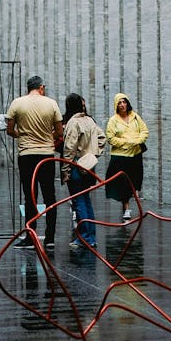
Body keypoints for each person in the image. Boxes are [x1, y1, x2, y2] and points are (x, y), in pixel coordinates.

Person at [6, 75, 63, 249]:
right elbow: (59, 131)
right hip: (46, 154)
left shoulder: (17, 103)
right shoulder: (51, 103)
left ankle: (30, 237)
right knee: (49, 196)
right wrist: (47, 138)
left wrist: (21, 136)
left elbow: (9, 130)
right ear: (41, 87)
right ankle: (50, 238)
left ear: (28, 88)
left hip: (26, 155)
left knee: (30, 196)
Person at [60, 93, 105, 249]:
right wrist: (93, 154)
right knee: (86, 200)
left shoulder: (73, 123)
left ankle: (84, 238)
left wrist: (65, 169)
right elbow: (102, 137)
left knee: (79, 202)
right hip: (89, 166)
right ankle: (91, 237)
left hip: (76, 167)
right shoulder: (89, 120)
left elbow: (69, 148)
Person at [105, 92, 148, 221]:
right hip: (120, 156)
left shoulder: (135, 117)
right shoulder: (113, 120)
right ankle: (126, 207)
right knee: (123, 183)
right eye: (119, 103)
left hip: (135, 155)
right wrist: (126, 142)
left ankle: (128, 202)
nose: (122, 105)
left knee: (134, 181)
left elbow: (144, 131)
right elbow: (111, 138)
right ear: (116, 105)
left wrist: (138, 141)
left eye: (124, 102)